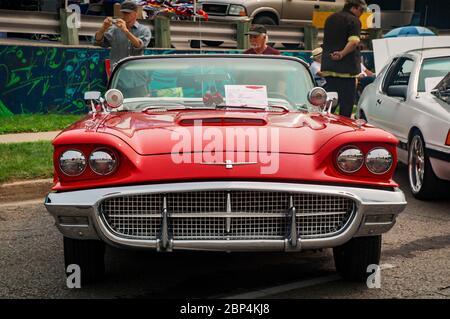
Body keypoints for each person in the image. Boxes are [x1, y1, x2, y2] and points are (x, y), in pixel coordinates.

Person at [321, 0, 367, 118]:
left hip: (329, 67)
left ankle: (325, 128)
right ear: (354, 8)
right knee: (346, 106)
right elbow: (354, 42)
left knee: (329, 105)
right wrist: (342, 53)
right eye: (361, 10)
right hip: (347, 71)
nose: (361, 13)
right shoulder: (354, 20)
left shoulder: (330, 18)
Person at [94, 1, 151, 73]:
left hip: (136, 75)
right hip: (118, 73)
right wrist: (103, 28)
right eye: (123, 12)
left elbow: (139, 45)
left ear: (135, 14)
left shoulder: (144, 30)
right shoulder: (115, 29)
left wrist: (125, 30)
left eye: (128, 13)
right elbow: (98, 41)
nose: (125, 15)